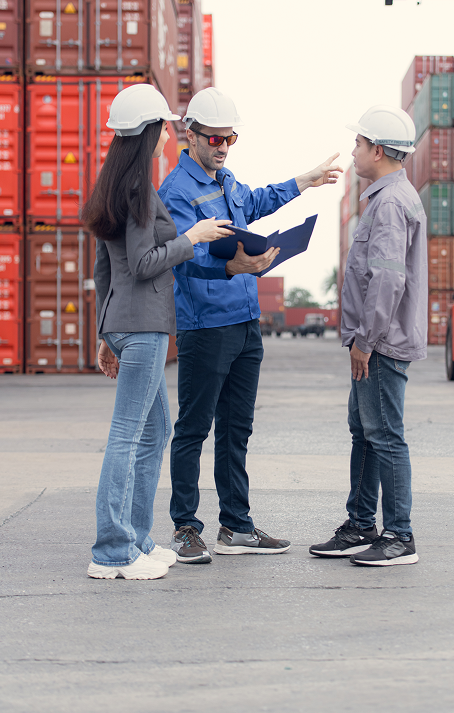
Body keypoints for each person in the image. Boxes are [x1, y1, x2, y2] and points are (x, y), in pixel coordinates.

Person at [158, 87, 342, 562]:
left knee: (237, 429)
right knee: (193, 429)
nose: (221, 146)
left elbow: (256, 202)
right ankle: (185, 528)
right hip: (205, 327)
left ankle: (236, 527)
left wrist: (305, 181)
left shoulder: (227, 180)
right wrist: (234, 269)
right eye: (214, 138)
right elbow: (183, 260)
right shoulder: (174, 193)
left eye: (230, 138)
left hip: (245, 324)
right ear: (191, 135)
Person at [83, 84, 233, 580]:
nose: (170, 135)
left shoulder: (111, 187)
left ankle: (138, 538)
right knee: (128, 434)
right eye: (165, 127)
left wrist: (106, 335)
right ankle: (112, 551)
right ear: (149, 133)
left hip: (124, 324)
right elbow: (146, 264)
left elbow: (106, 269)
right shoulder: (139, 193)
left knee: (156, 431)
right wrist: (193, 238)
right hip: (144, 326)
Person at [309, 105, 427, 567]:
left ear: (377, 149)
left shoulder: (392, 203)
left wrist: (365, 340)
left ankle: (399, 536)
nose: (354, 152)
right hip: (374, 339)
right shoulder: (387, 197)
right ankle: (361, 524)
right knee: (364, 432)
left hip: (380, 341)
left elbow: (387, 279)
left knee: (385, 436)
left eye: (358, 144)